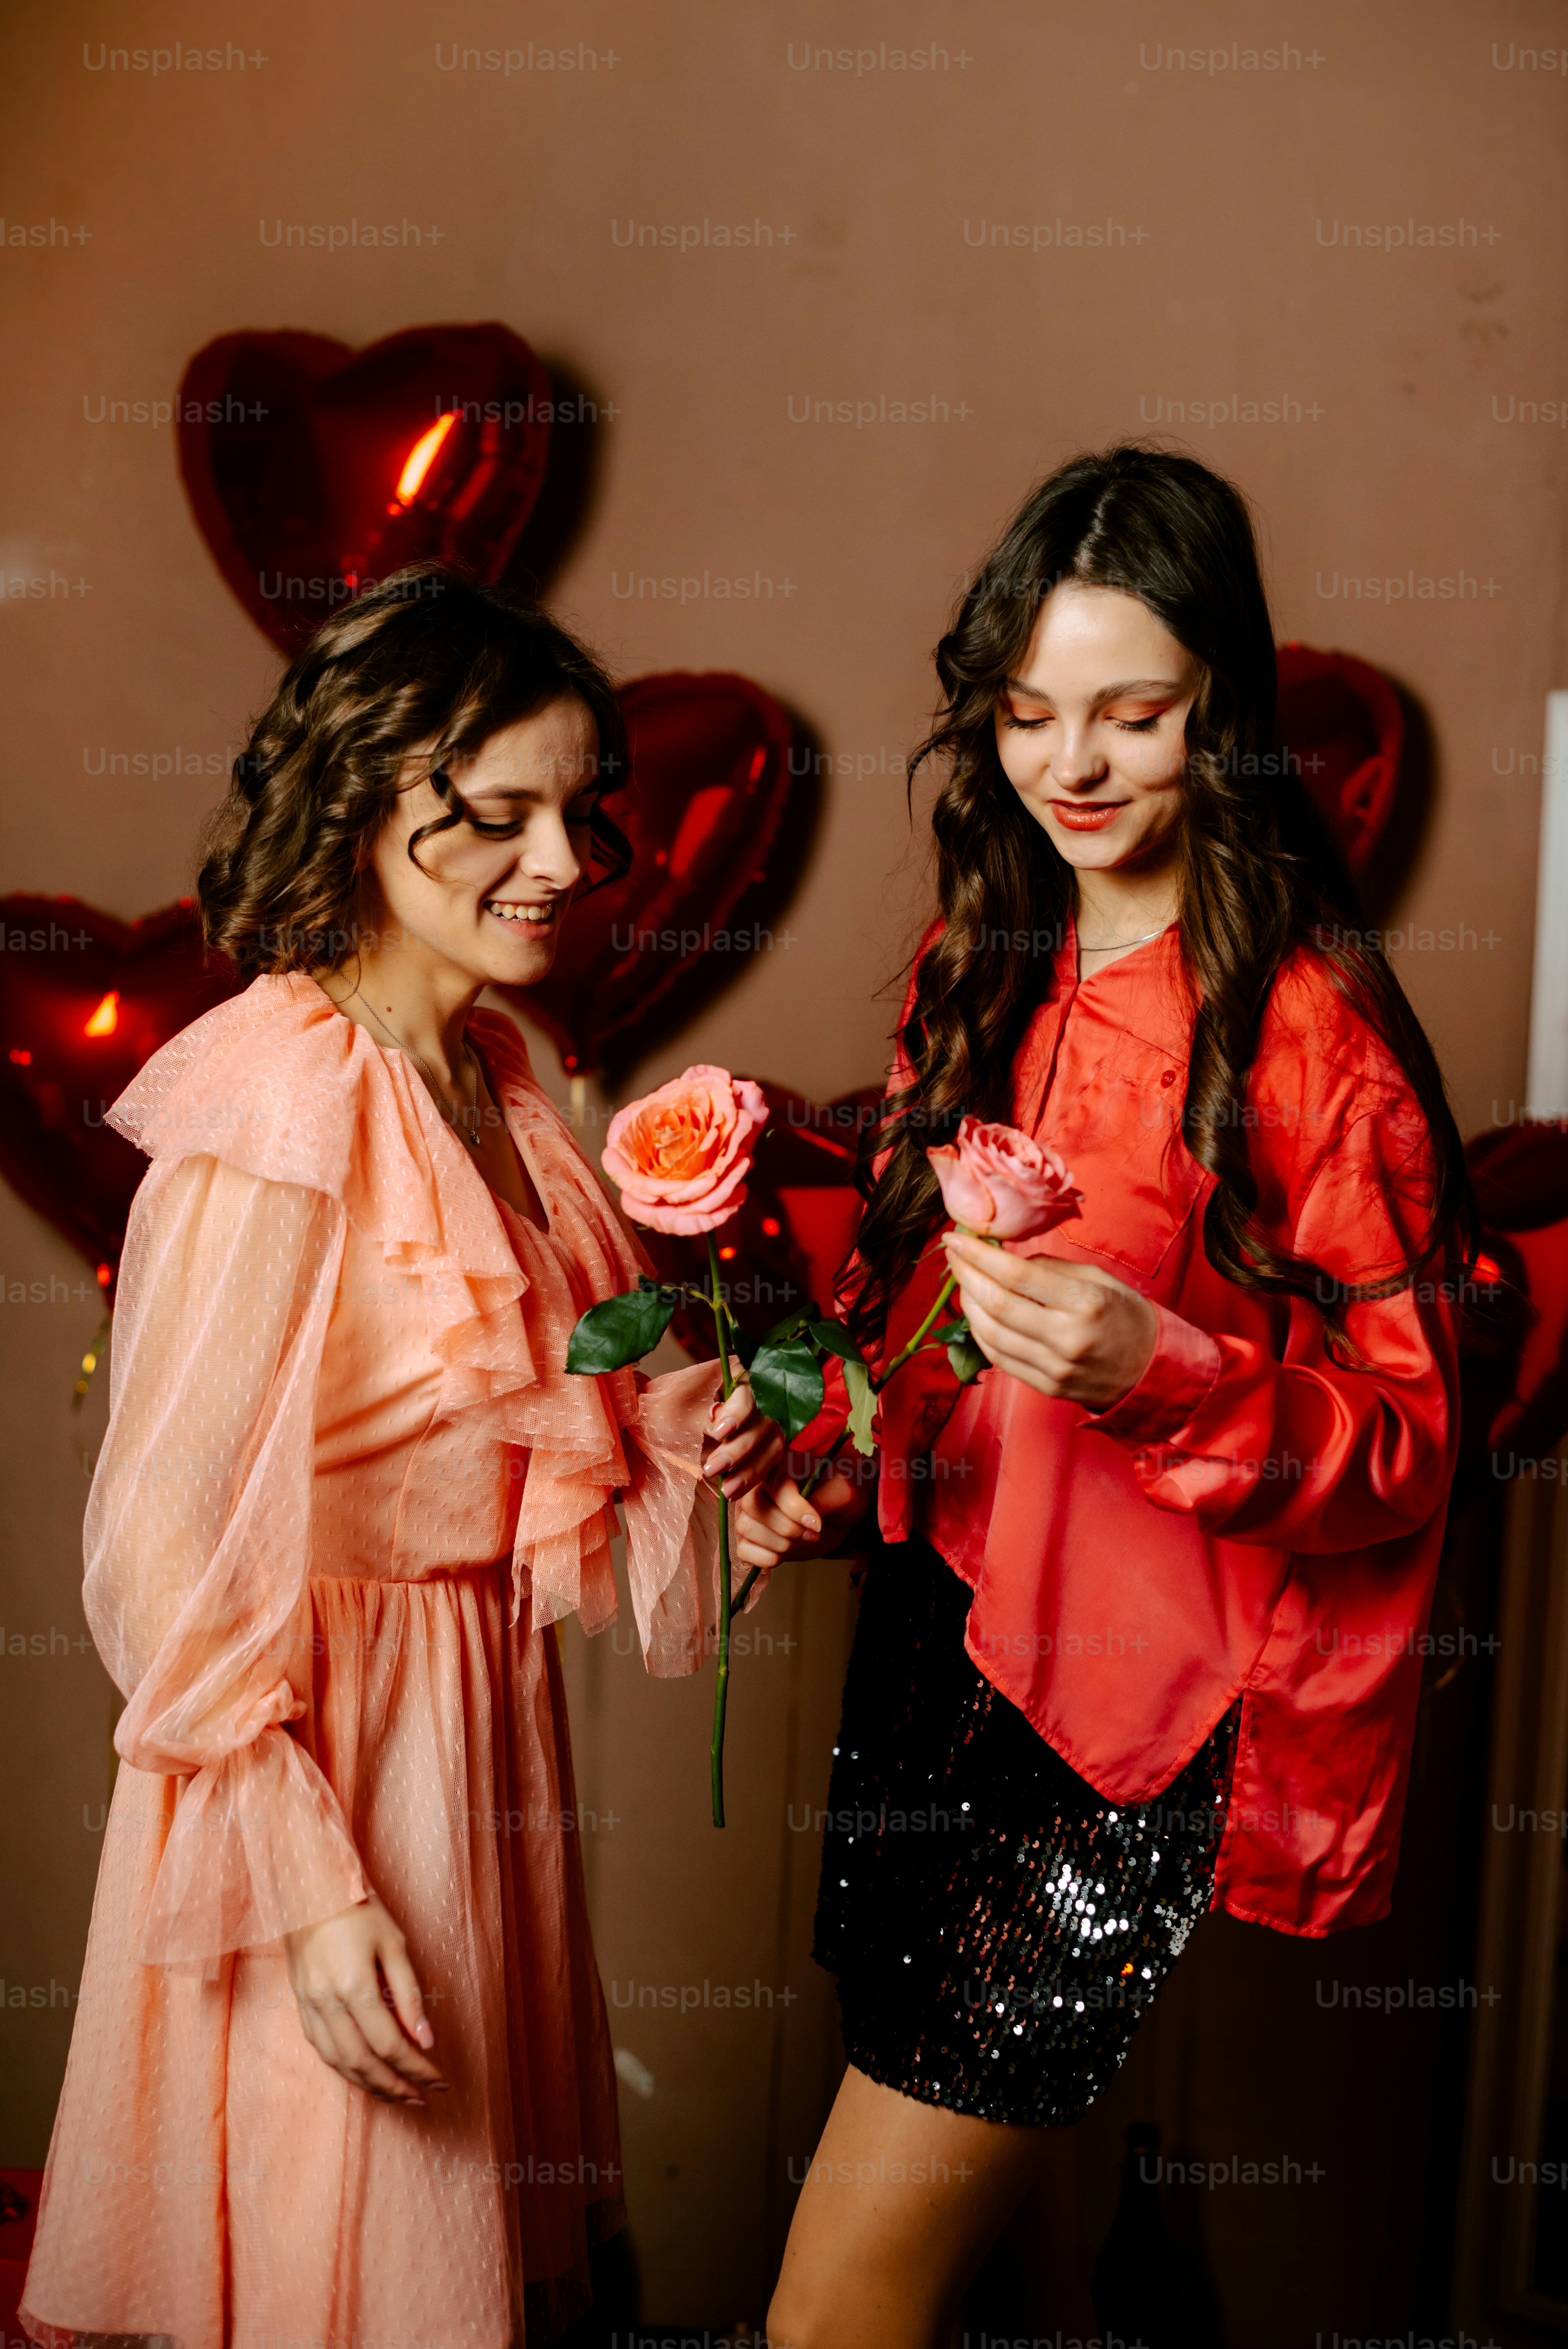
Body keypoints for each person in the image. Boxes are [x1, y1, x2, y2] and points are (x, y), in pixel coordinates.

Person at [733, 446, 1473, 2347]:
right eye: (1024, 714)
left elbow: (1408, 1444)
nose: (1069, 766)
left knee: (832, 2313)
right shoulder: (984, 957)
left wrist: (1171, 1373)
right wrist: (812, 1455)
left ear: (1215, 710)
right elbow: (911, 1318)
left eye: (1131, 716)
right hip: (936, 1642)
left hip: (1115, 1734)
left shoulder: (1309, 1036)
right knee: (1009, 2264)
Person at [21, 569, 781, 2349]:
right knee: (343, 2276)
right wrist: (310, 1887)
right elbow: (156, 1545)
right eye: (493, 811)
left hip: (475, 1735)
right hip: (327, 1764)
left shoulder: (497, 1077)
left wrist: (700, 1436)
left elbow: (529, 1435)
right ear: (366, 802)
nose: (559, 858)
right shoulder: (282, 1088)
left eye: (573, 808)